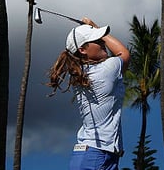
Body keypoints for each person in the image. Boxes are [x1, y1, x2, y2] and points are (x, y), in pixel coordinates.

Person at [47, 17, 131, 170]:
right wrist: (95, 27)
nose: (102, 43)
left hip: (94, 155)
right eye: (97, 40)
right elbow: (123, 53)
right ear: (82, 50)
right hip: (96, 155)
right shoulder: (106, 70)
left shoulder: (81, 73)